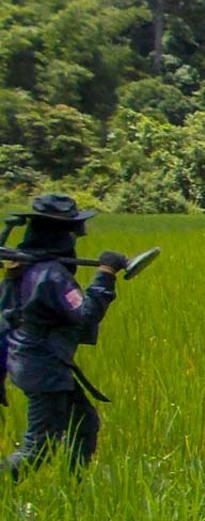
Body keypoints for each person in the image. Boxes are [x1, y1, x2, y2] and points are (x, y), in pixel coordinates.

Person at [2, 194, 128, 480]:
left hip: (32, 362)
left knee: (83, 424)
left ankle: (75, 487)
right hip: (43, 367)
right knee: (38, 447)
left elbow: (6, 316)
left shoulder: (25, 266)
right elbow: (84, 315)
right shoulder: (51, 275)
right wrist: (106, 275)